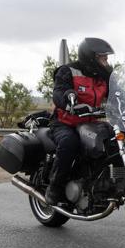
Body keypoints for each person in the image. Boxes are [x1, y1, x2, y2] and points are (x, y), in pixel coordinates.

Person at [45, 37, 115, 205]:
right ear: (91, 58)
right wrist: (69, 100)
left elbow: (118, 94)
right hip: (65, 122)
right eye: (103, 58)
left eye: (107, 58)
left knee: (117, 140)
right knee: (69, 143)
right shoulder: (68, 71)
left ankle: (105, 181)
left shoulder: (104, 75)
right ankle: (54, 188)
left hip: (90, 123)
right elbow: (59, 91)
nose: (106, 62)